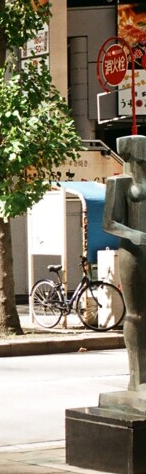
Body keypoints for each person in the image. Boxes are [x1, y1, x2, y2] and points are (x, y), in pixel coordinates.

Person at [103, 134, 146, 391]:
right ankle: (137, 376)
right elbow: (109, 222)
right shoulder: (119, 182)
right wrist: (135, 234)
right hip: (133, 253)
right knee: (136, 315)